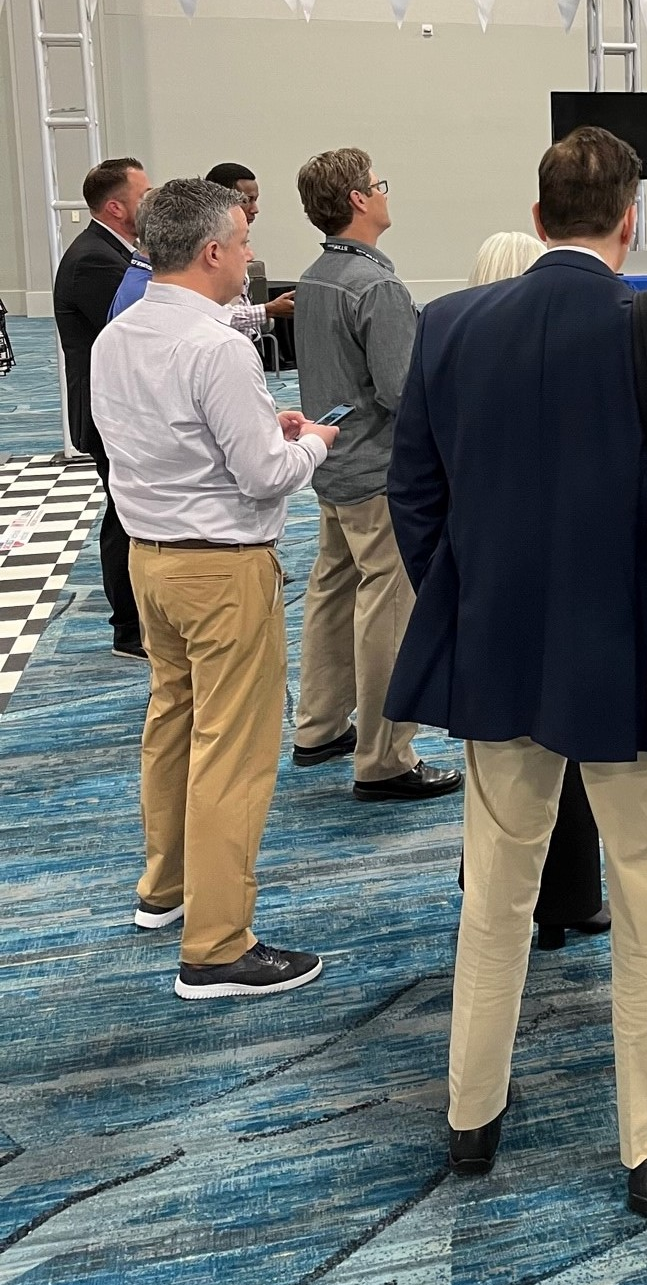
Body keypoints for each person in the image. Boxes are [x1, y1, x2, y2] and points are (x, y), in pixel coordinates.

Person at [385, 127, 647, 1217]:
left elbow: (415, 495)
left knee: (495, 895)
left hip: (497, 654)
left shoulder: (449, 324)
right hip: (639, 663)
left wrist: (472, 599)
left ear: (538, 217)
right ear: (630, 220)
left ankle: (471, 1115)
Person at [90, 179, 336, 998]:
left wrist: (268, 433)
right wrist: (313, 444)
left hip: (151, 558)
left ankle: (164, 887)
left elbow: (160, 439)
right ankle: (219, 944)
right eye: (243, 240)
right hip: (222, 568)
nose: (250, 254)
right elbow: (264, 476)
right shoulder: (218, 346)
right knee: (233, 750)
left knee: (172, 721)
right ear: (211, 252)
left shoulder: (118, 334)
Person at [290, 148, 461, 803]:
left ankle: (319, 726)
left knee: (333, 597)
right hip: (379, 475)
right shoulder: (376, 287)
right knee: (387, 613)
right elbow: (402, 390)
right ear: (359, 200)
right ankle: (384, 758)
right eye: (377, 184)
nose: (384, 193)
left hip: (333, 467)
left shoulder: (315, 277)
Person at [465, 228, 610, 950]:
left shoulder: (454, 359)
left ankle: (498, 895)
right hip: (567, 594)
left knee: (496, 768)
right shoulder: (568, 365)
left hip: (484, 594)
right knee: (568, 754)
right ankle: (570, 897)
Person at [52, 157, 152, 658]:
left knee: (130, 512)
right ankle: (128, 628)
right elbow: (137, 329)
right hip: (108, 413)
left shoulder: (112, 251)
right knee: (125, 516)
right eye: (144, 195)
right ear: (115, 207)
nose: (151, 204)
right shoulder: (94, 259)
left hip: (120, 409)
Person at [108, 162, 297, 335]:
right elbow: (208, 322)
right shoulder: (145, 294)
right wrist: (265, 311)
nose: (250, 255)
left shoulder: (147, 286)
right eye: (242, 244)